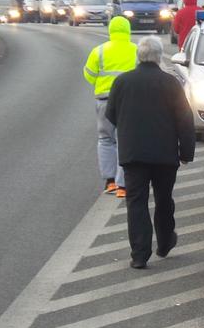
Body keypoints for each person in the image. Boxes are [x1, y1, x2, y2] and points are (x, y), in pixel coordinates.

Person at [104, 36, 195, 269]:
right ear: (158, 56)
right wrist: (186, 151)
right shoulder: (171, 83)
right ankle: (165, 242)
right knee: (164, 200)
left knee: (136, 203)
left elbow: (110, 114)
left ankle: (139, 254)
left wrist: (127, 130)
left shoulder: (122, 82)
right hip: (164, 155)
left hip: (133, 155)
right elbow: (184, 119)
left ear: (139, 56)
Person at [82, 16, 137, 198]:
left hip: (104, 99)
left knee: (106, 139)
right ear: (128, 30)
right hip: (129, 101)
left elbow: (89, 75)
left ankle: (110, 181)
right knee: (125, 140)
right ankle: (123, 186)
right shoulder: (136, 50)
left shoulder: (99, 51)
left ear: (111, 31)